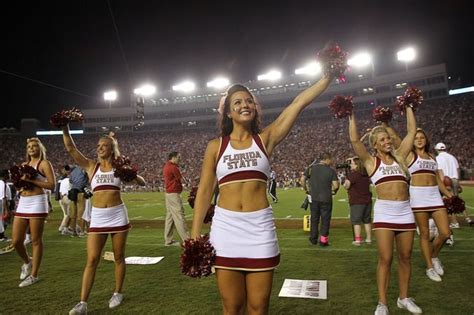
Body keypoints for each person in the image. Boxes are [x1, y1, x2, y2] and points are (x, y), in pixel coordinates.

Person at [191, 72, 333, 314]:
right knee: (232, 307)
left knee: (259, 307)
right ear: (227, 112)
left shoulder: (265, 139)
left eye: (248, 101)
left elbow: (298, 103)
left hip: (260, 230)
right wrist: (194, 236)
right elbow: (205, 191)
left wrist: (328, 76)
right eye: (237, 102)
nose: (244, 105)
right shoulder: (216, 146)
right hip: (226, 230)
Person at [61, 124, 146, 314]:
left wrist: (132, 174)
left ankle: (118, 292)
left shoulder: (119, 168)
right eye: (98, 145)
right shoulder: (92, 166)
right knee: (92, 259)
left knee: (118, 257)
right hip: (98, 217)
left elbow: (142, 182)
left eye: (104, 145)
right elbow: (71, 149)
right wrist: (65, 128)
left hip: (117, 215)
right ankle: (82, 302)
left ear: (111, 149)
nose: (99, 148)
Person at [348, 106, 423, 314]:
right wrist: (351, 115)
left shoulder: (401, 157)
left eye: (388, 139)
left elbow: (411, 131)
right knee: (386, 259)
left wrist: (408, 106)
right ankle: (382, 303)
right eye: (382, 140)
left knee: (406, 256)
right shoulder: (372, 163)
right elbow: (355, 141)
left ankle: (404, 298)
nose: (388, 142)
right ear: (374, 145)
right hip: (384, 213)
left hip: (405, 212)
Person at [11, 138, 56, 287]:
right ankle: (27, 262)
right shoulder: (24, 165)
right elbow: (19, 186)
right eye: (29, 146)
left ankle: (34, 275)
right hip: (23, 202)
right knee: (16, 241)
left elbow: (51, 185)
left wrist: (32, 181)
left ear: (40, 148)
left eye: (34, 146)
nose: (31, 148)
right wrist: (20, 184)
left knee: (36, 240)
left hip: (37, 202)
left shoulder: (44, 163)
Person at [301, 152, 339, 246]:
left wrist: (306, 190)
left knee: (314, 219)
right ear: (327, 159)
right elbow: (335, 185)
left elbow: (302, 180)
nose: (332, 161)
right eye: (331, 159)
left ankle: (313, 239)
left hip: (314, 198)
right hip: (326, 198)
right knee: (325, 219)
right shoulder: (331, 171)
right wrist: (335, 191)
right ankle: (323, 241)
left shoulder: (311, 168)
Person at [435, 142, 471, 227]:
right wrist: (458, 182)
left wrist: (443, 184)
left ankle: (454, 222)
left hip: (445, 180)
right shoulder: (452, 157)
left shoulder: (437, 158)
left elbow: (440, 171)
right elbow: (458, 169)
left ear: (437, 149)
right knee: (457, 200)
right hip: (455, 179)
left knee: (448, 201)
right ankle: (467, 218)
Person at [343, 157, 372, 246]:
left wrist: (346, 180)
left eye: (352, 163)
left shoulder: (354, 174)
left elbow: (346, 186)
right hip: (367, 200)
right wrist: (353, 159)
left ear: (356, 165)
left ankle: (358, 240)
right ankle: (368, 239)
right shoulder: (365, 173)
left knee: (356, 221)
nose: (350, 165)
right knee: (367, 221)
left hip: (357, 201)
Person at [162, 152, 189, 246]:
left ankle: (168, 240)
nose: (180, 159)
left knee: (170, 217)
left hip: (168, 194)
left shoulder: (166, 166)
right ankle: (187, 240)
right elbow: (180, 178)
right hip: (174, 194)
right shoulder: (173, 167)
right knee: (179, 216)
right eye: (178, 157)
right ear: (173, 157)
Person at [65, 164, 89, 236]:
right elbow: (87, 175)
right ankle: (81, 231)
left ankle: (73, 230)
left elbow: (71, 181)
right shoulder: (82, 168)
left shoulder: (72, 172)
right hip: (80, 192)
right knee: (81, 213)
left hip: (73, 192)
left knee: (73, 213)